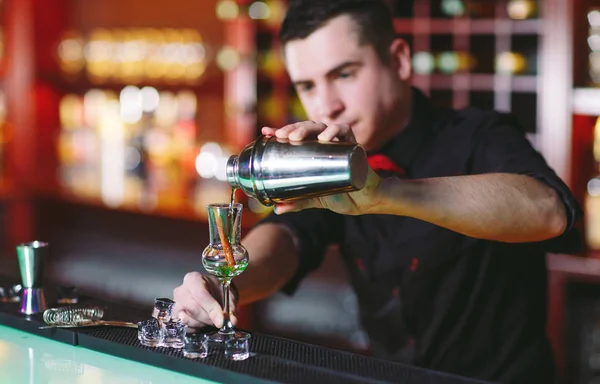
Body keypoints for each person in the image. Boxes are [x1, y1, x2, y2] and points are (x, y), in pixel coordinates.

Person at [173, 0, 582, 382]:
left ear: (399, 61)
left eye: (344, 74)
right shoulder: (326, 162)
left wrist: (385, 193)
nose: (327, 104)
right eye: (308, 86)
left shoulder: (479, 134)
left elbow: (550, 211)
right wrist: (226, 284)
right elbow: (286, 237)